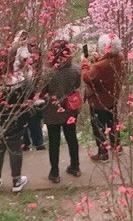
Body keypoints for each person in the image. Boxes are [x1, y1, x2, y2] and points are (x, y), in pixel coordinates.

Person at [0, 40, 36, 195]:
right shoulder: (19, 82)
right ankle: (16, 180)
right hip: (15, 120)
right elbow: (29, 96)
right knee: (15, 148)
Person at [40, 39, 82, 183]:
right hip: (70, 109)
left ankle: (54, 172)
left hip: (52, 109)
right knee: (72, 138)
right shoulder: (75, 69)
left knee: (54, 141)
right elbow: (77, 85)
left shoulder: (47, 73)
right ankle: (75, 167)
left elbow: (42, 91)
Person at [81, 34, 125, 162]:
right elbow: (107, 67)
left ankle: (102, 152)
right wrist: (99, 59)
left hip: (98, 100)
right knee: (113, 121)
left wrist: (85, 65)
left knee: (98, 126)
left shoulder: (99, 67)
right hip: (112, 97)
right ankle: (117, 146)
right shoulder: (119, 57)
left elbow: (87, 78)